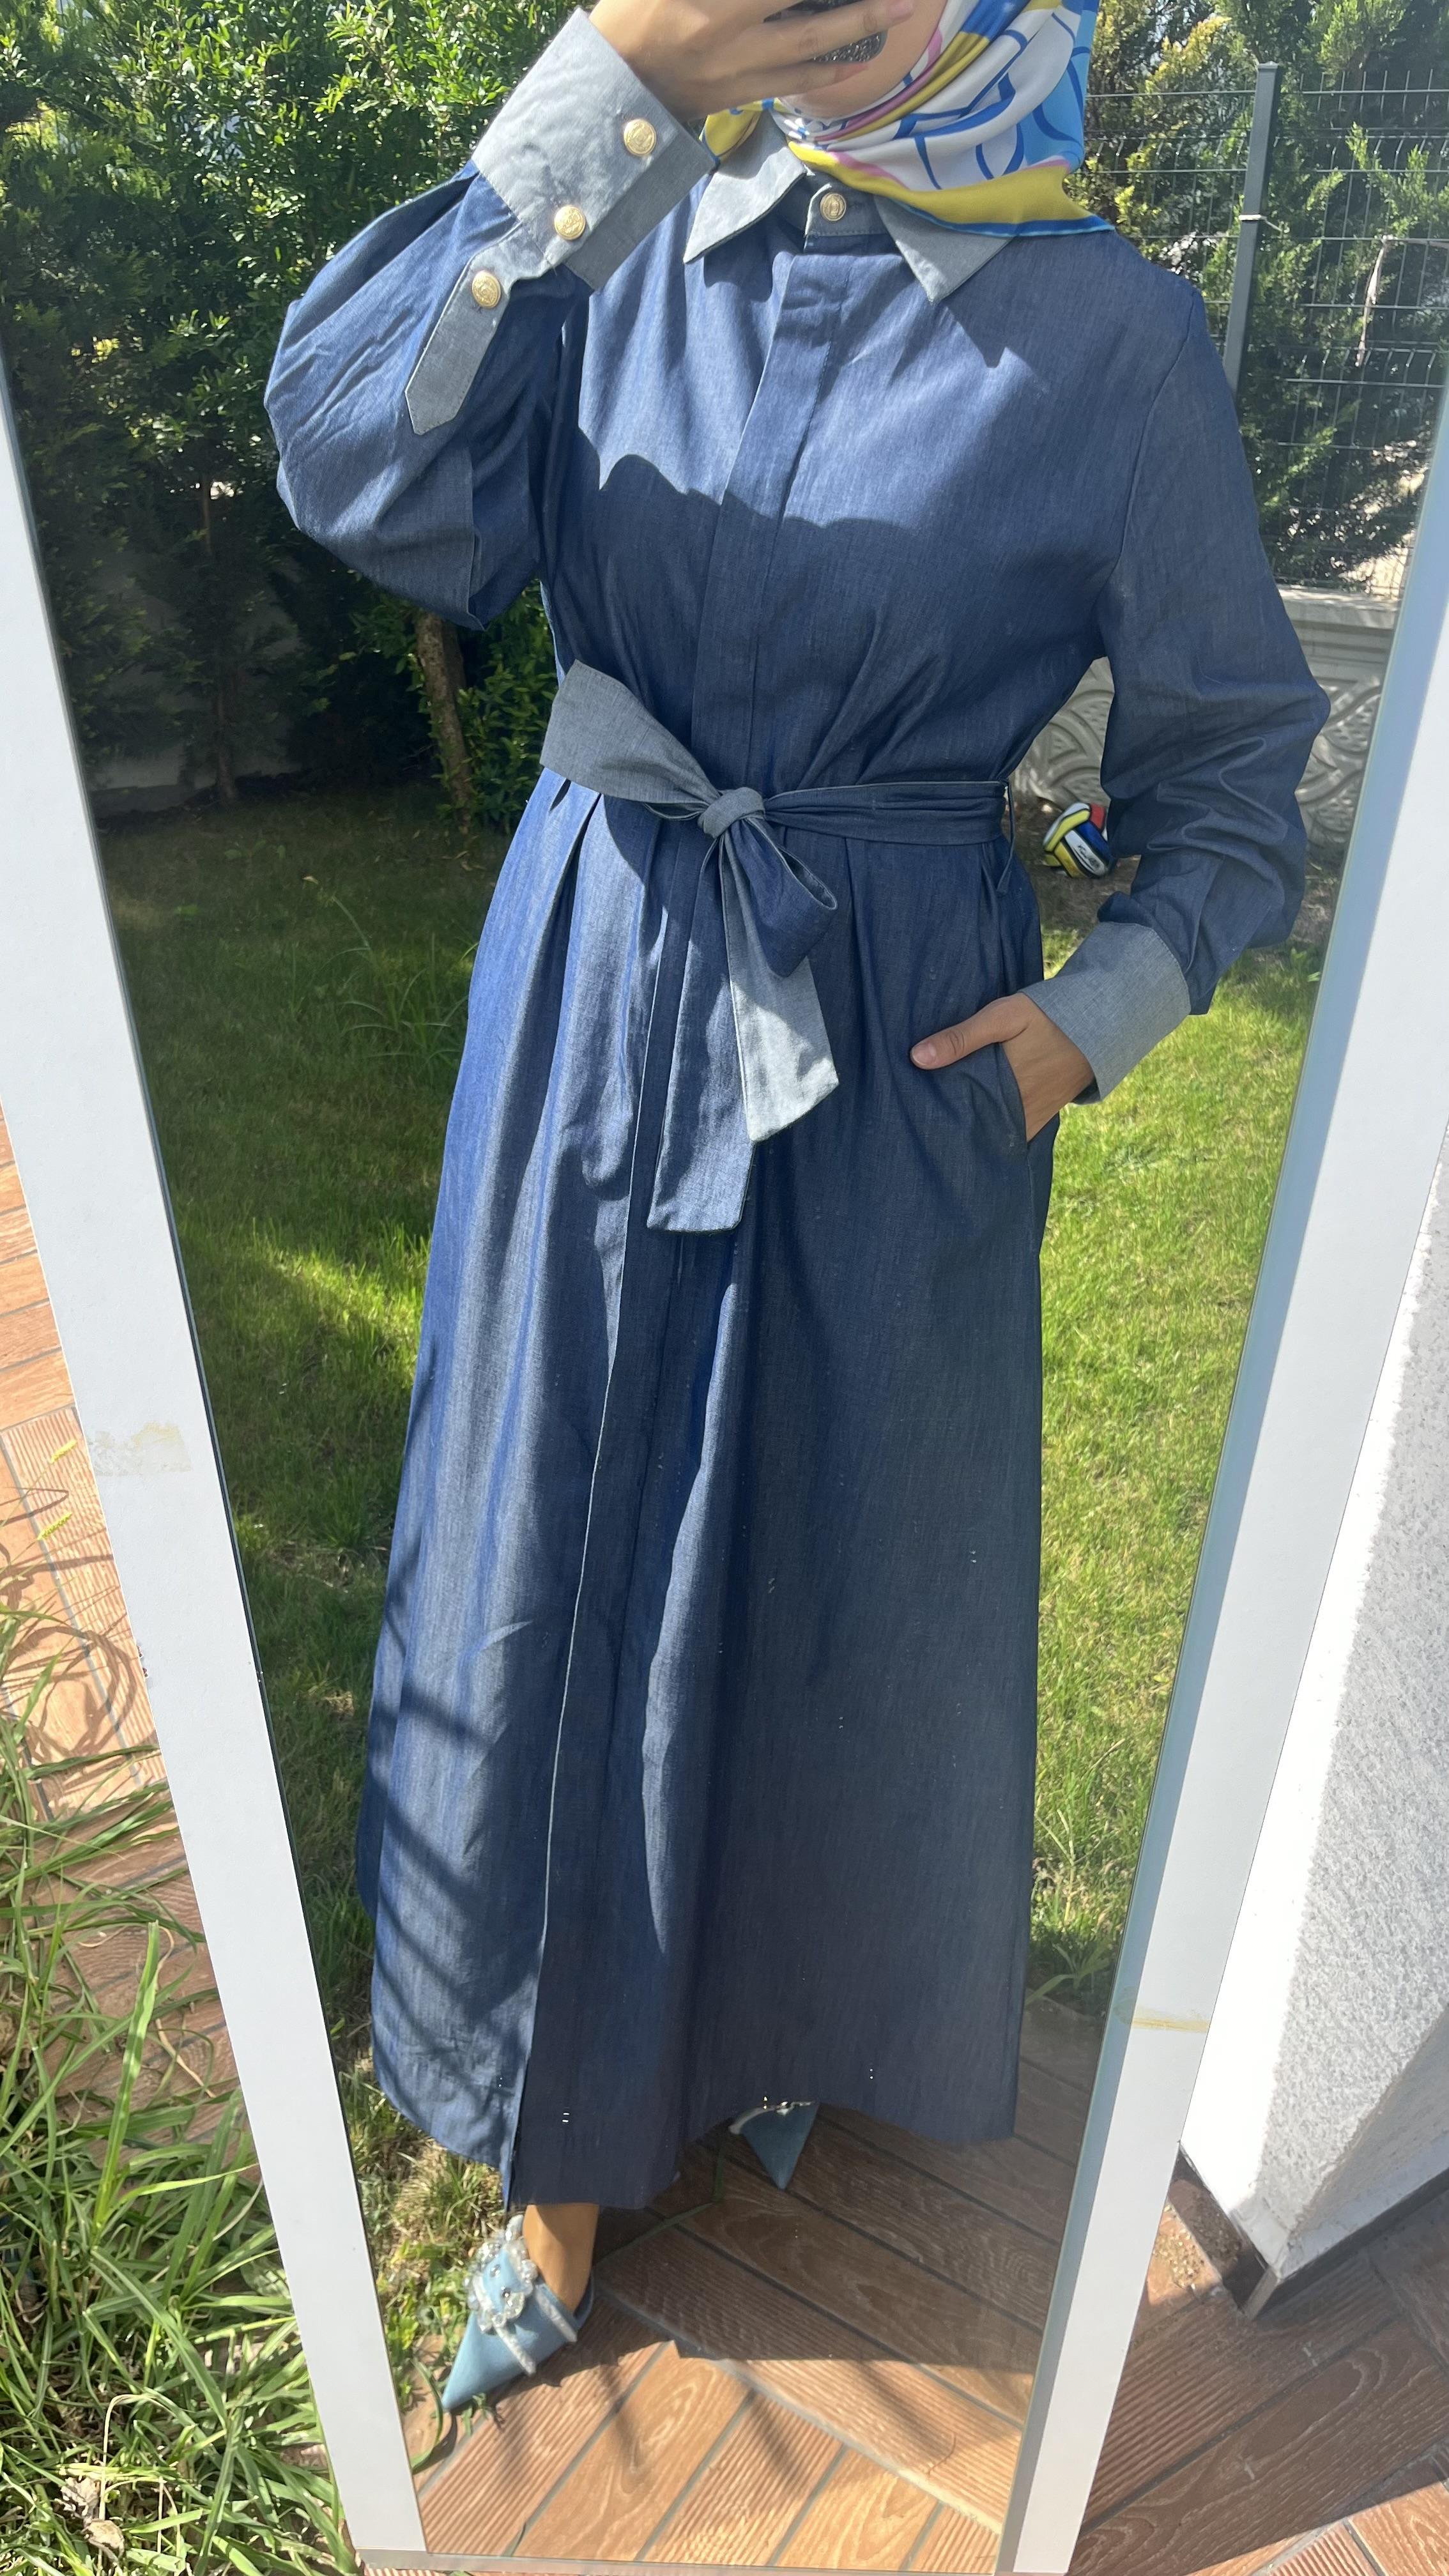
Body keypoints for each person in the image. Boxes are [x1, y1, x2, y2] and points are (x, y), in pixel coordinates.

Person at [265, 0, 1327, 2409]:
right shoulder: (619, 222)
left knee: (841, 1567)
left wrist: (1094, 1016)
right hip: (600, 990)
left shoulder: (1114, 337)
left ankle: (768, 2023)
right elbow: (352, 464)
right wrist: (613, 75)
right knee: (552, 1542)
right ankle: (550, 2147)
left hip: (897, 1054)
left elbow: (1235, 775)